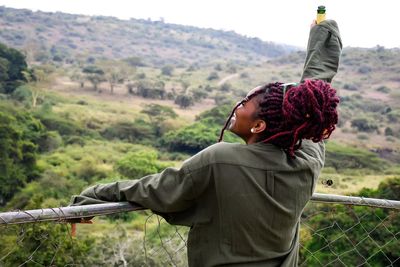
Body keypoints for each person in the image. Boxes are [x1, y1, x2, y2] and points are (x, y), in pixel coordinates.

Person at [71, 19, 342, 267]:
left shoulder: (221, 159)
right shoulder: (306, 163)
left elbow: (152, 189)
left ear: (259, 126)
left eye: (246, 103)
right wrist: (323, 35)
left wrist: (89, 197)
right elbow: (314, 90)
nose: (238, 106)